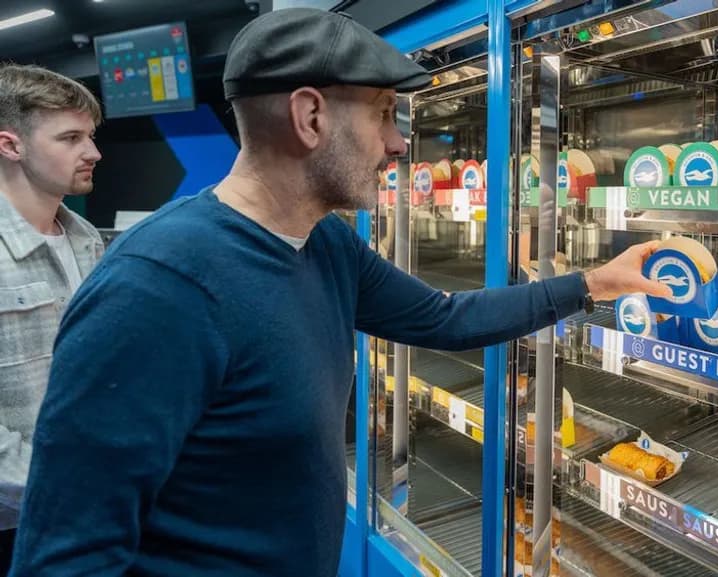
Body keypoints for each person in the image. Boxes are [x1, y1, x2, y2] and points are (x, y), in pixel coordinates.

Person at [9, 9, 670, 577]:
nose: (399, 143)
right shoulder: (158, 288)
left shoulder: (327, 244)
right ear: (310, 116)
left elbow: (445, 318)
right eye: (383, 114)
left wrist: (592, 283)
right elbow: (67, 554)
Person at [0, 64, 104, 575]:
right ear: (10, 145)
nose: (93, 153)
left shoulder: (88, 241)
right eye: (71, 138)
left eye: (91, 136)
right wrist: (66, 486)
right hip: (17, 523)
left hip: (88, 506)